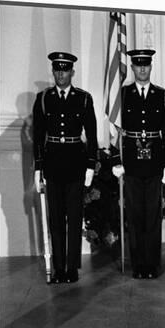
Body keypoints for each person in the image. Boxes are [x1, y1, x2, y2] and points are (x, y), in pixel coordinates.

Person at [33, 51, 98, 284]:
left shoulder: (83, 98)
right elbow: (38, 136)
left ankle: (71, 268)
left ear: (73, 72)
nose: (61, 74)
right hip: (52, 165)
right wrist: (38, 168)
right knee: (56, 219)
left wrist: (91, 165)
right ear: (53, 72)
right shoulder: (43, 98)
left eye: (65, 70)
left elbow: (91, 134)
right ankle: (59, 268)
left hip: (75, 164)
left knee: (74, 216)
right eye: (57, 70)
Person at [111, 49, 165, 279]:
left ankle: (152, 265)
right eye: (138, 65)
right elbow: (114, 129)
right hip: (133, 163)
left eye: (146, 65)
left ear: (151, 66)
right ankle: (139, 265)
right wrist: (117, 160)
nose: (142, 69)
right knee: (136, 215)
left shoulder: (163, 96)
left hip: (155, 162)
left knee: (153, 215)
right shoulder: (123, 95)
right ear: (133, 68)